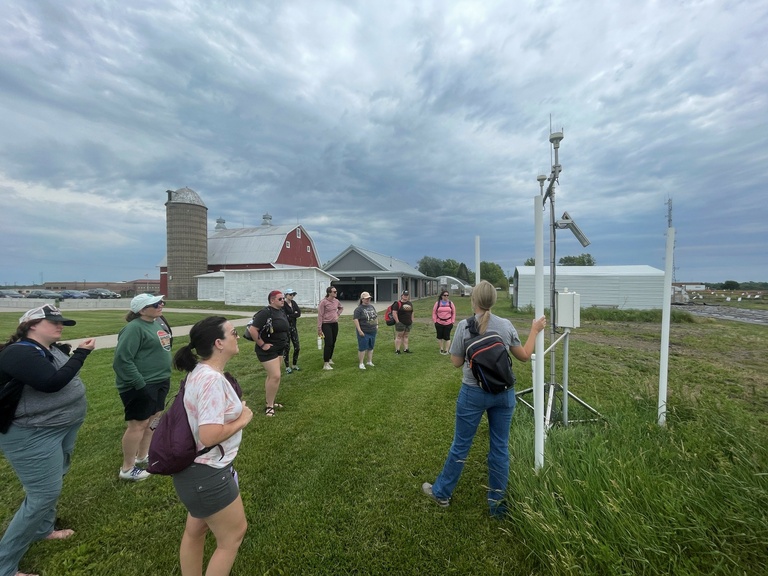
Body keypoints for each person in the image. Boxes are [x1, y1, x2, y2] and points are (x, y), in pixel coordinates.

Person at [422, 280, 546, 517]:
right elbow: (524, 355)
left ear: (473, 300)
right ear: (494, 300)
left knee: (461, 445)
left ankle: (442, 493)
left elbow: (456, 361)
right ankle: (497, 506)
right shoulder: (506, 325)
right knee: (499, 448)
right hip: (504, 394)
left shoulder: (463, 327)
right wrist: (534, 330)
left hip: (473, 393)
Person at [0, 305, 96, 576]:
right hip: (32, 432)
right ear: (31, 325)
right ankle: (4, 566)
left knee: (56, 478)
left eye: (61, 322)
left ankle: (43, 530)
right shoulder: (18, 352)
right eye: (52, 322)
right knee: (42, 495)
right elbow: (52, 382)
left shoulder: (50, 348)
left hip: (60, 428)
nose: (60, 326)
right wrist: (82, 354)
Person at [171, 316, 254, 576]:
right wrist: (243, 419)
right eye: (233, 333)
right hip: (207, 472)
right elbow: (209, 435)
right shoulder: (211, 380)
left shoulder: (201, 372)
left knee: (196, 531)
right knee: (232, 537)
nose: (238, 336)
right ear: (219, 343)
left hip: (194, 470)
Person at [113, 294, 172, 481]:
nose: (161, 305)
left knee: (154, 419)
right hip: (141, 384)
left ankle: (142, 456)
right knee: (138, 424)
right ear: (141, 310)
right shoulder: (133, 329)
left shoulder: (158, 323)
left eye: (161, 302)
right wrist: (140, 384)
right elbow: (122, 361)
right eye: (155, 304)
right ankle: (127, 468)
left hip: (161, 381)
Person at [248, 291, 290, 416]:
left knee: (272, 376)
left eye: (283, 298)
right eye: (280, 299)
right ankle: (269, 406)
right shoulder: (265, 312)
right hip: (267, 350)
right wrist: (262, 344)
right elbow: (253, 330)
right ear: (272, 300)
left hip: (279, 348)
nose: (283, 300)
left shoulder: (280, 311)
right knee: (275, 376)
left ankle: (270, 401)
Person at [317, 286, 343, 370]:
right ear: (329, 293)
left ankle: (330, 358)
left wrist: (337, 314)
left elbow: (341, 308)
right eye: (334, 292)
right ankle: (326, 363)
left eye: (336, 291)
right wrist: (319, 329)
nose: (336, 293)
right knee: (328, 343)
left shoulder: (336, 301)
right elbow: (320, 315)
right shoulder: (323, 302)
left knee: (333, 342)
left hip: (334, 324)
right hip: (326, 324)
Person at [352, 292, 378, 370]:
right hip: (364, 331)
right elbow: (355, 320)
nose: (368, 300)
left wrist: (377, 325)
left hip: (372, 330)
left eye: (369, 298)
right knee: (362, 347)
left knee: (371, 347)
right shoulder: (358, 309)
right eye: (366, 298)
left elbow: (375, 316)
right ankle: (361, 363)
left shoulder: (372, 307)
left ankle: (369, 361)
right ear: (362, 299)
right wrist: (359, 330)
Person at [281, 289, 301, 374]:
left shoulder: (294, 303)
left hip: (293, 328)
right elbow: (284, 316)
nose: (292, 296)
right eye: (290, 294)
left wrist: (291, 315)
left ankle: (294, 364)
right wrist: (293, 314)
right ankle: (287, 366)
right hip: (286, 329)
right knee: (287, 348)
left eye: (293, 294)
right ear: (286, 295)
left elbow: (299, 313)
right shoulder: (283, 304)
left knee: (297, 347)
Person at [432, 291, 456, 355]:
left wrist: (452, 321)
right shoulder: (438, 303)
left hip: (448, 323)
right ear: (442, 296)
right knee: (439, 337)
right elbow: (434, 312)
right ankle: (441, 349)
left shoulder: (451, 303)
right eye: (444, 295)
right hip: (439, 323)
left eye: (447, 295)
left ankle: (446, 350)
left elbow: (453, 313)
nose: (446, 296)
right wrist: (435, 321)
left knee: (447, 337)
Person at [393, 290, 414, 354]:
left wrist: (412, 320)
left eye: (407, 295)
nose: (406, 296)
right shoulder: (397, 304)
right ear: (401, 296)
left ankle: (406, 349)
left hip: (408, 323)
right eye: (404, 295)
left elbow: (412, 312)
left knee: (406, 336)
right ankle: (397, 350)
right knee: (399, 336)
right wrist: (397, 322)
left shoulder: (410, 303)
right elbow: (394, 313)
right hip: (401, 323)